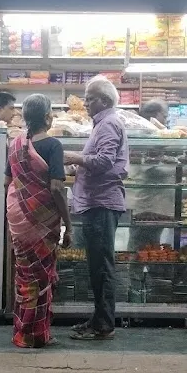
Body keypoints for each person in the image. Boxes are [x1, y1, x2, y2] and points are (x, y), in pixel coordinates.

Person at [63, 76, 129, 340]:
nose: (85, 103)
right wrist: (75, 165)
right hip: (95, 202)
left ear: (103, 100)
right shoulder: (102, 124)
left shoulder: (109, 124)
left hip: (102, 203)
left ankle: (103, 325)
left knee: (101, 266)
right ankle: (99, 318)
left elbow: (103, 162)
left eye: (89, 98)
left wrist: (73, 157)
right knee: (97, 265)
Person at [5, 94, 72, 349]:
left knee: (25, 275)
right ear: (47, 117)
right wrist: (68, 224)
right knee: (41, 277)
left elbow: (6, 182)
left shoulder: (15, 144)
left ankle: (23, 332)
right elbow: (56, 188)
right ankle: (37, 334)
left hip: (18, 218)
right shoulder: (53, 145)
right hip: (43, 219)